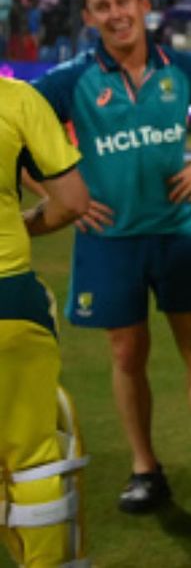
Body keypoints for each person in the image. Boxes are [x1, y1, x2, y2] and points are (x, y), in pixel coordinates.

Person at [32, 0, 191, 513]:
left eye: (123, 1)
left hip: (178, 236)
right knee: (126, 353)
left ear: (143, 5)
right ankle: (145, 470)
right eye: (102, 7)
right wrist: (63, 196)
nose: (115, 14)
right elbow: (13, 124)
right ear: (90, 18)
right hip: (110, 241)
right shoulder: (72, 80)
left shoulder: (181, 68)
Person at [1, 78, 90, 568]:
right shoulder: (15, 99)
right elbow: (74, 201)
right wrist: (24, 224)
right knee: (34, 460)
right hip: (6, 297)